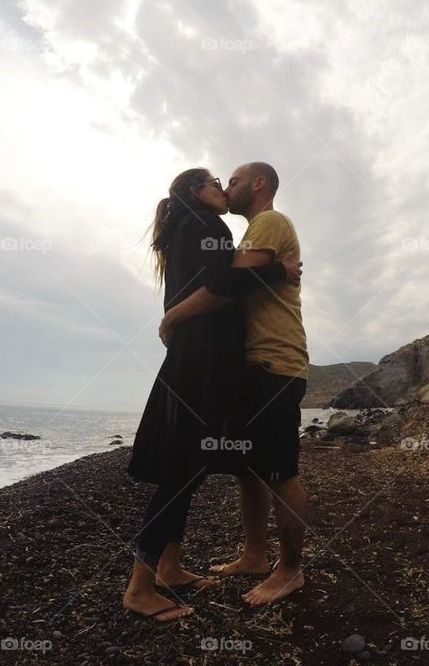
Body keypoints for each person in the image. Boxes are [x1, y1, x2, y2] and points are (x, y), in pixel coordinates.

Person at [123, 167, 301, 621]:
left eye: (229, 181)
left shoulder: (186, 226)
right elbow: (222, 284)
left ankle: (169, 568)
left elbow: (217, 283)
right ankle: (140, 588)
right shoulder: (206, 224)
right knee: (183, 467)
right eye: (216, 183)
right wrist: (279, 270)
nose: (224, 189)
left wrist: (172, 318)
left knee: (190, 464)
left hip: (202, 359)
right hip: (203, 362)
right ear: (194, 191)